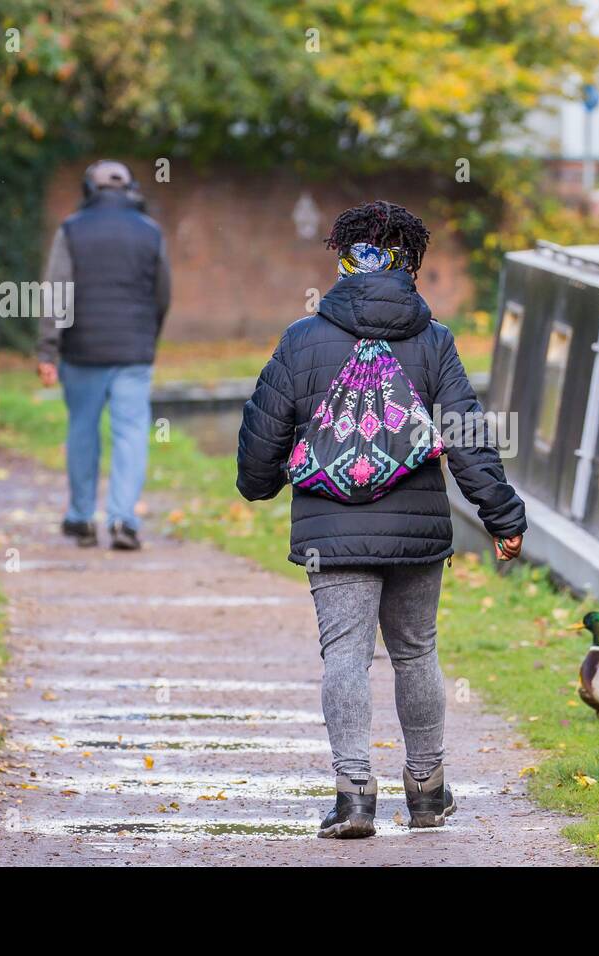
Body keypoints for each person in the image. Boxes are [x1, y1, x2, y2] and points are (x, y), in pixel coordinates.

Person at [236, 201, 525, 838]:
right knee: (416, 653)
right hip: (416, 530)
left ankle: (354, 798)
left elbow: (262, 437)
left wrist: (259, 484)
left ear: (344, 260)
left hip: (329, 532)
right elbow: (468, 436)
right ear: (408, 262)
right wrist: (503, 518)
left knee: (345, 656)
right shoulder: (435, 340)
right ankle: (427, 794)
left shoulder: (303, 339)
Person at [36, 160, 171, 551]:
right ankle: (123, 520)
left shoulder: (71, 229)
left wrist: (48, 348)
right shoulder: (150, 232)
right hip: (134, 353)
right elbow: (163, 294)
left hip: (81, 352)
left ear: (88, 190)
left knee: (83, 430)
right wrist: (149, 336)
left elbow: (56, 292)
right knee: (131, 434)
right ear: (131, 188)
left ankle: (81, 518)